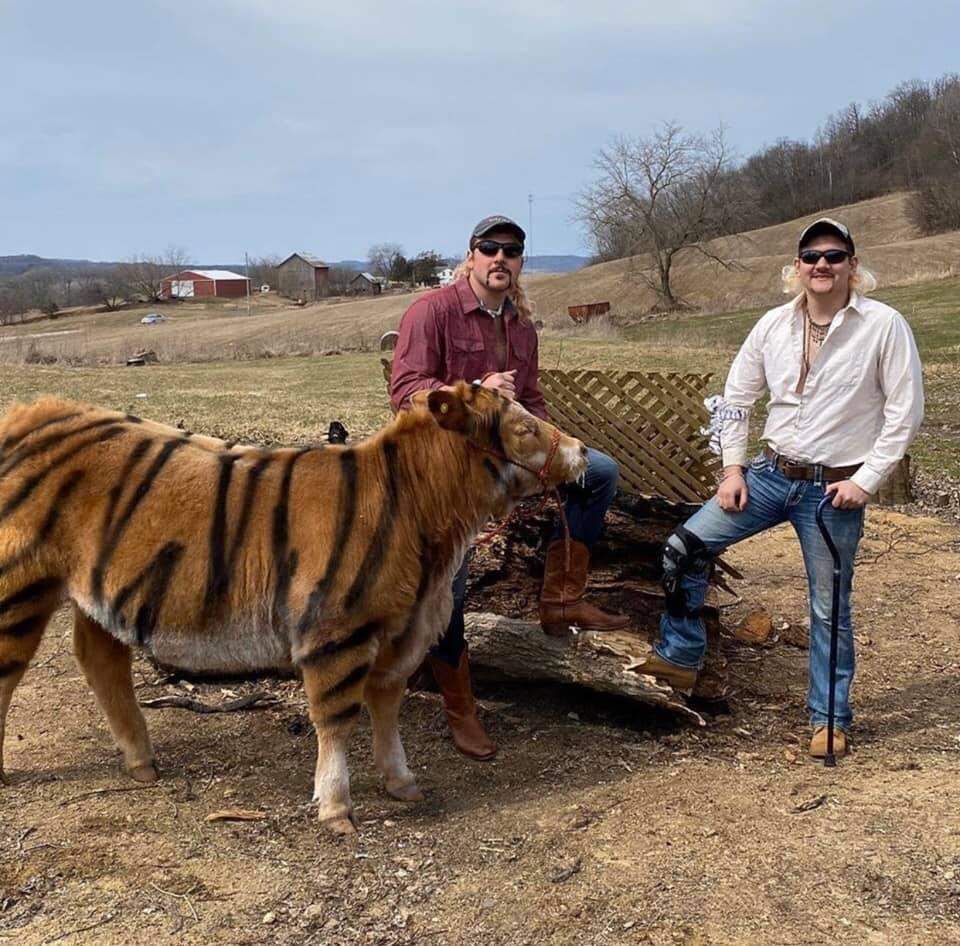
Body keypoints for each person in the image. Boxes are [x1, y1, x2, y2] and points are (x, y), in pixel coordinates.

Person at [635, 218, 924, 758]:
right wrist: (732, 470)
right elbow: (735, 400)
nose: (822, 264)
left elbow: (905, 413)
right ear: (796, 268)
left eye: (834, 256)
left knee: (828, 606)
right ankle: (680, 656)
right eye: (811, 256)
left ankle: (830, 718)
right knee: (684, 548)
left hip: (834, 488)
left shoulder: (884, 325)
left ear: (852, 267)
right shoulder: (772, 325)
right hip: (770, 476)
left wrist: (866, 481)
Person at [390, 214, 628, 760]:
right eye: (490, 248)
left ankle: (561, 600)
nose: (501, 258)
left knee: (600, 472)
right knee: (450, 585)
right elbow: (405, 392)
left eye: (512, 251)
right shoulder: (433, 311)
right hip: (445, 470)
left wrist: (554, 445)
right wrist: (474, 391)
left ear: (520, 262)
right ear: (471, 255)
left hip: (504, 462)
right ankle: (459, 706)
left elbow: (533, 402)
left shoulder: (520, 323)